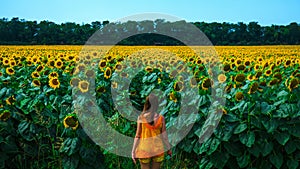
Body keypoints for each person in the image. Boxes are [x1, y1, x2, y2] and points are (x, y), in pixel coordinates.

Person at [132, 93, 172, 169]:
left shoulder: (141, 118)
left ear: (146, 104)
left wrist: (133, 151)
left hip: (144, 149)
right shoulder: (161, 118)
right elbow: (164, 136)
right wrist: (168, 148)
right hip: (158, 149)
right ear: (157, 105)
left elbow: (138, 135)